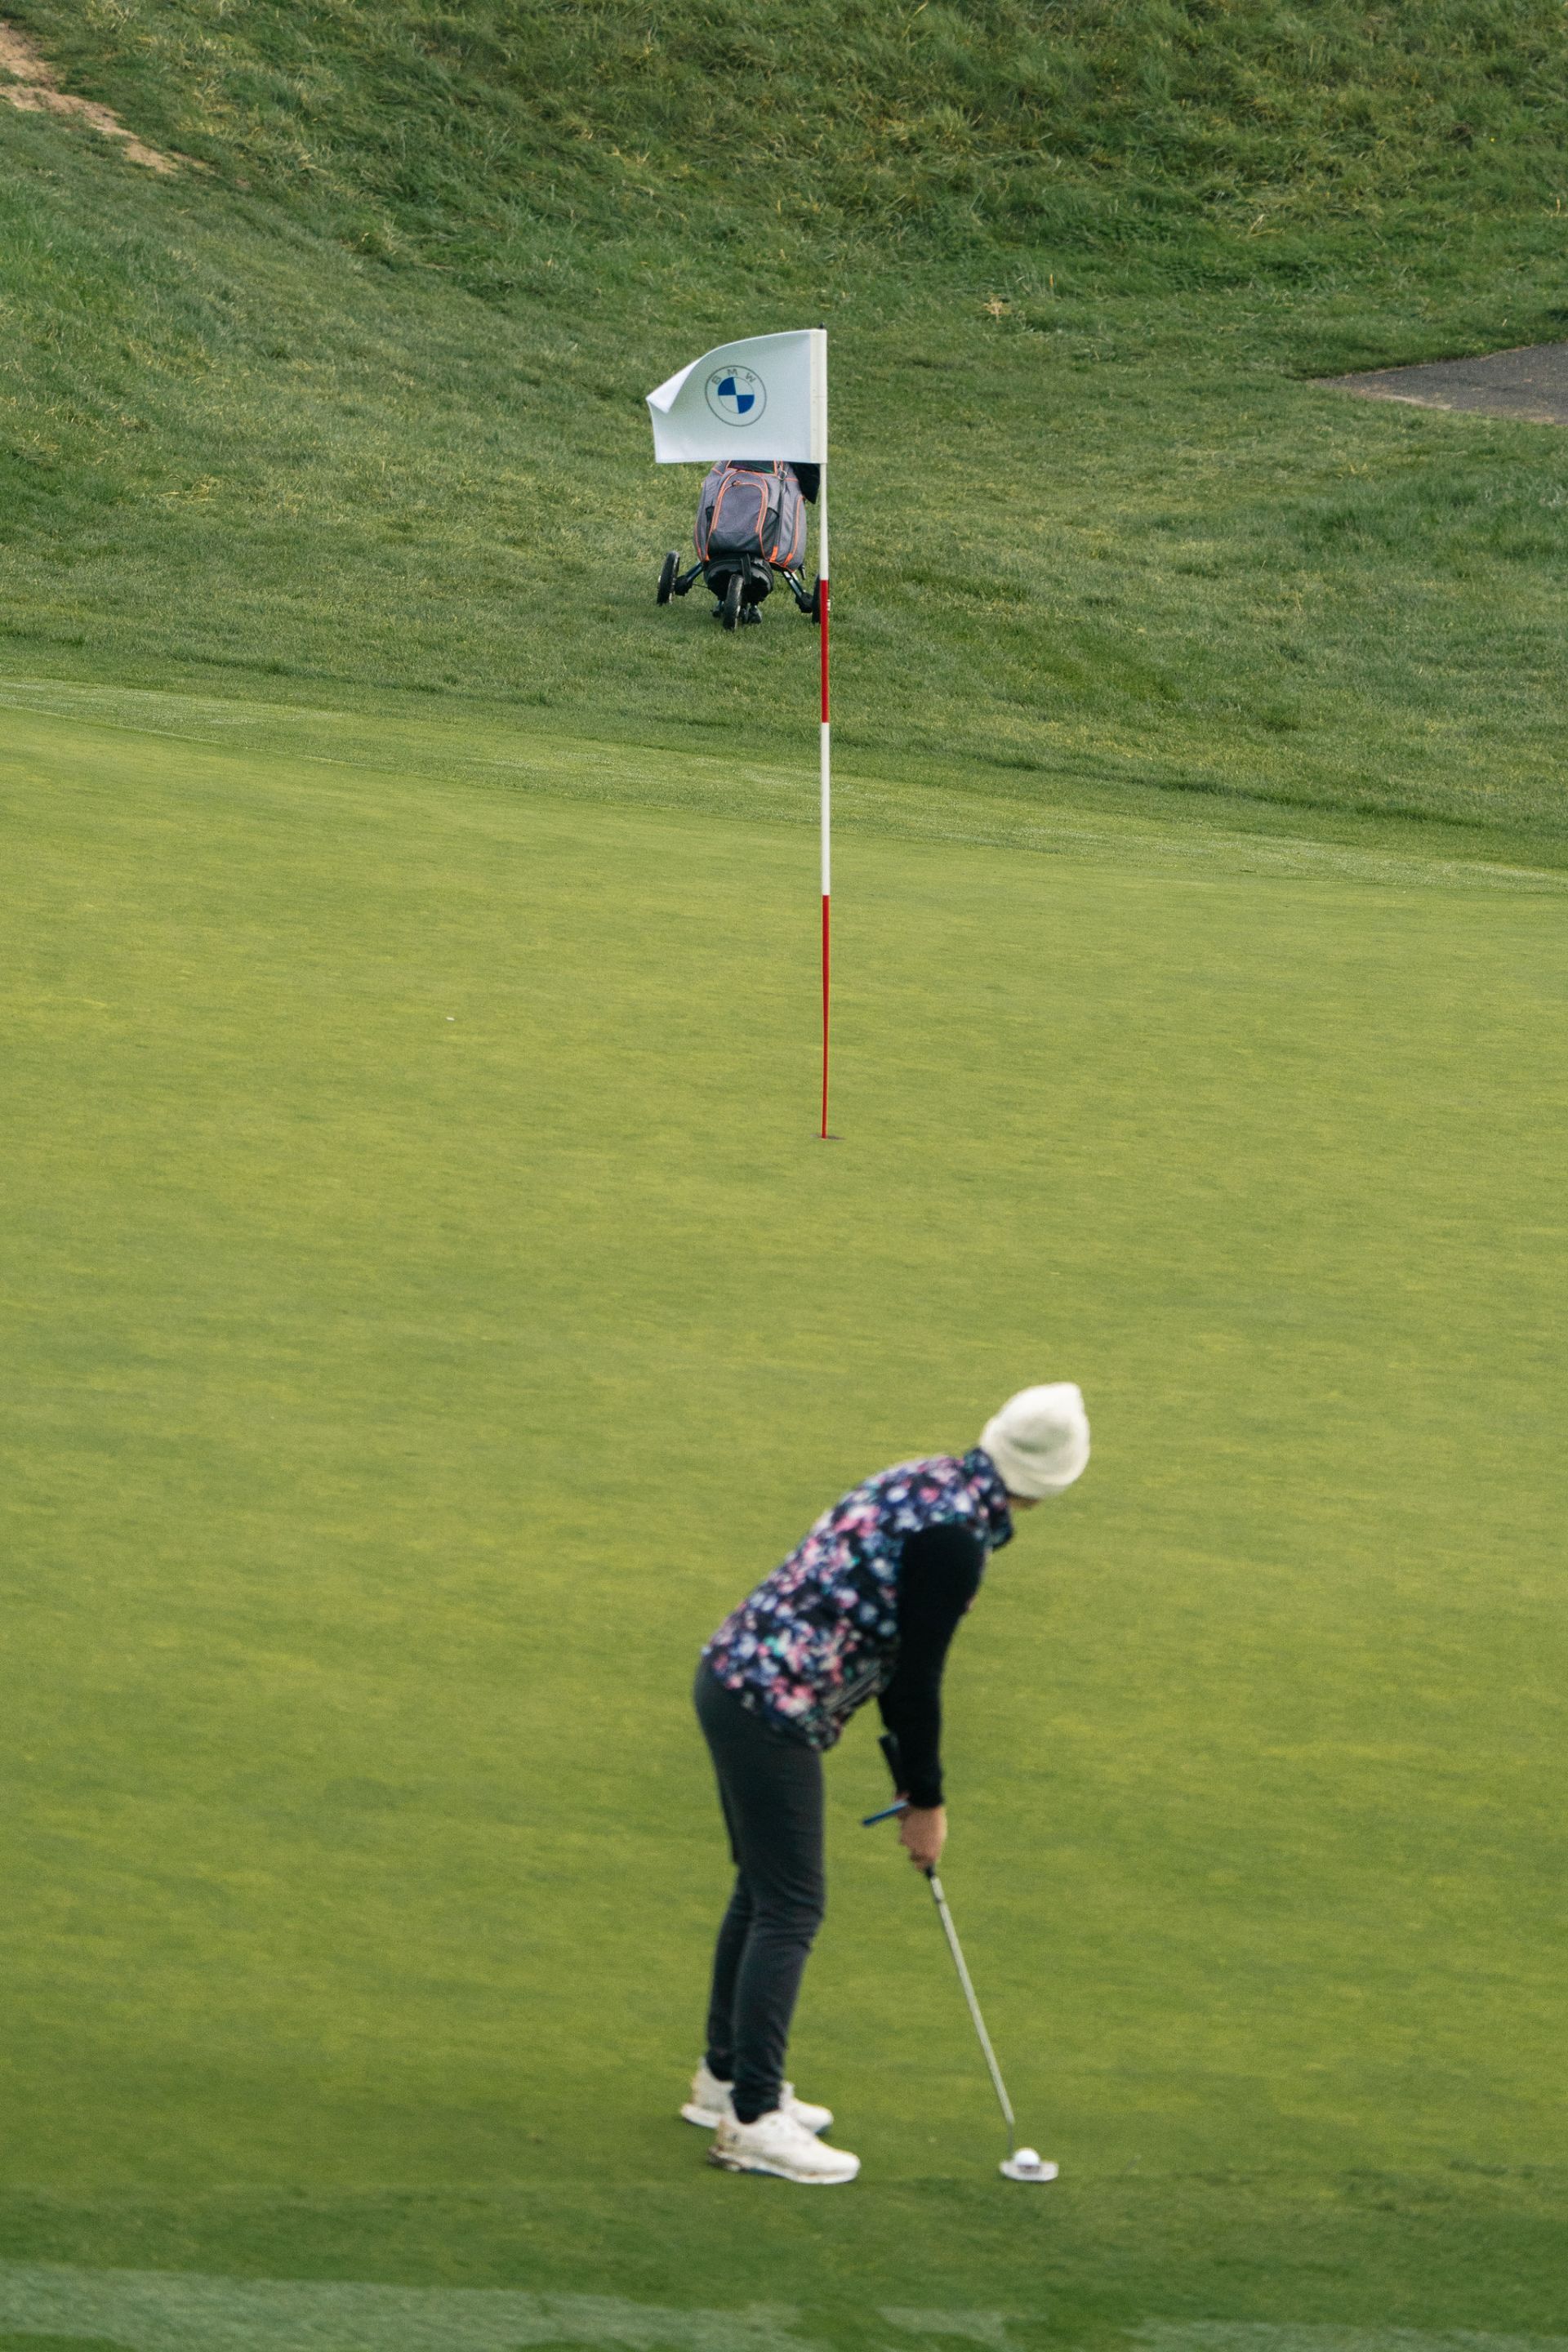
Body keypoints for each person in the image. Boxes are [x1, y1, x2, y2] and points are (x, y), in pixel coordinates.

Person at [683, 1382, 1091, 2184]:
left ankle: (725, 2080)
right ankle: (752, 2120)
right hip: (770, 1707)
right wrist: (925, 1799)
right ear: (1051, 1483)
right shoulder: (955, 1541)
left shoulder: (926, 1478)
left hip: (733, 1677)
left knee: (764, 1890)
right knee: (791, 1905)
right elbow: (915, 1681)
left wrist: (912, 1787)